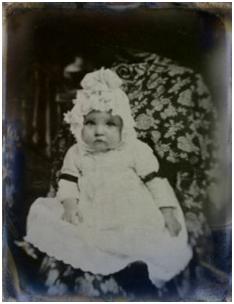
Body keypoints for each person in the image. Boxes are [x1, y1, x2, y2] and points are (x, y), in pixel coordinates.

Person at [24, 68, 192, 294]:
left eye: (110, 124)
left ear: (124, 126)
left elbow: (155, 181)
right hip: (91, 207)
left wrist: (167, 211)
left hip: (131, 209)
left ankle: (136, 267)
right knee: (63, 225)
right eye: (91, 123)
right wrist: (70, 204)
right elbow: (68, 181)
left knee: (145, 237)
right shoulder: (76, 152)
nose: (99, 131)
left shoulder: (135, 150)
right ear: (78, 123)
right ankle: (107, 264)